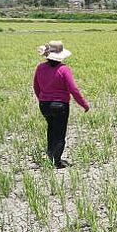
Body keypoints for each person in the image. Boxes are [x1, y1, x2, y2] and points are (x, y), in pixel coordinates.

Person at [33, 41, 89, 169]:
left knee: (51, 130)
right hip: (60, 106)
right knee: (59, 134)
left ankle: (51, 155)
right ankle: (57, 162)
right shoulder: (64, 69)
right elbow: (73, 90)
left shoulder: (40, 68)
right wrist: (84, 104)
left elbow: (36, 87)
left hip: (44, 105)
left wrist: (42, 100)